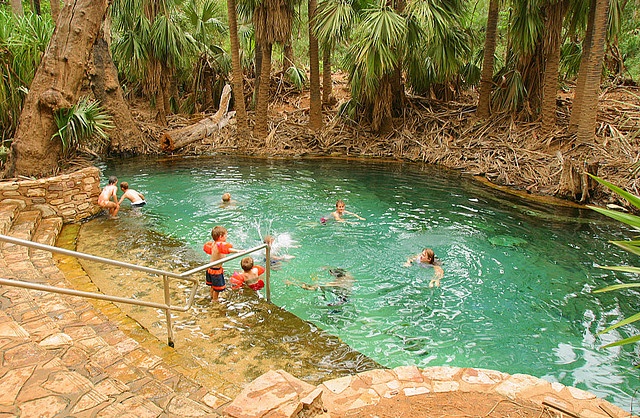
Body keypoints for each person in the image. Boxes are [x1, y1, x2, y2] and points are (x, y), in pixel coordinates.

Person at [204, 226, 240, 302]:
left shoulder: (214, 243)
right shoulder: (219, 245)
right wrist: (238, 251)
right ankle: (215, 300)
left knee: (212, 286)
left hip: (210, 268)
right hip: (216, 270)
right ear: (220, 236)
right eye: (226, 235)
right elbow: (228, 249)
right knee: (217, 289)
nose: (226, 237)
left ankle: (211, 296)